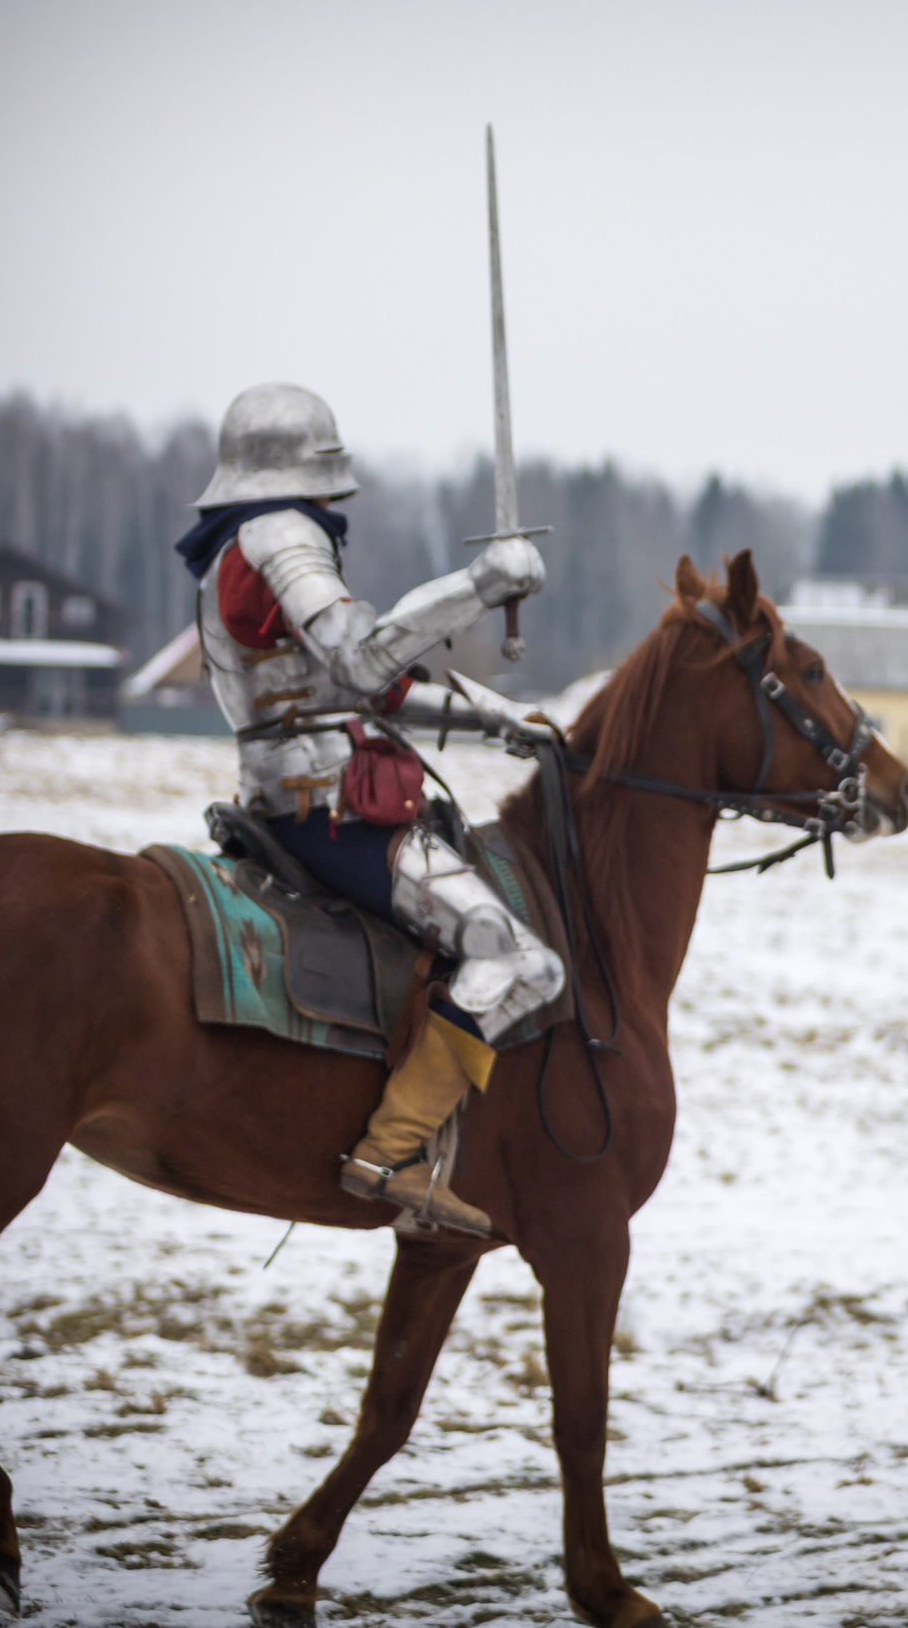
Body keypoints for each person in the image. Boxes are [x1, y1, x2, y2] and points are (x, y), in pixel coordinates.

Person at [175, 382, 564, 1237]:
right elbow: (357, 658)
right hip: (325, 808)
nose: (331, 499)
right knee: (514, 956)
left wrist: (502, 721)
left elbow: (379, 686)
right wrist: (479, 581)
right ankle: (390, 1150)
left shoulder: (245, 544)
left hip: (298, 786)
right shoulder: (281, 534)